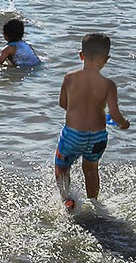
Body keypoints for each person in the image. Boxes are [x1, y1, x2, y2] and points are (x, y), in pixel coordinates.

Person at [55, 33, 130, 212]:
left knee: (61, 167)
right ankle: (95, 203)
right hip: (98, 138)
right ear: (106, 59)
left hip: (73, 135)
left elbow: (63, 103)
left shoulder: (70, 78)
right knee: (91, 169)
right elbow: (114, 114)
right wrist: (123, 123)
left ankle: (68, 200)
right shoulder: (108, 85)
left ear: (81, 55)